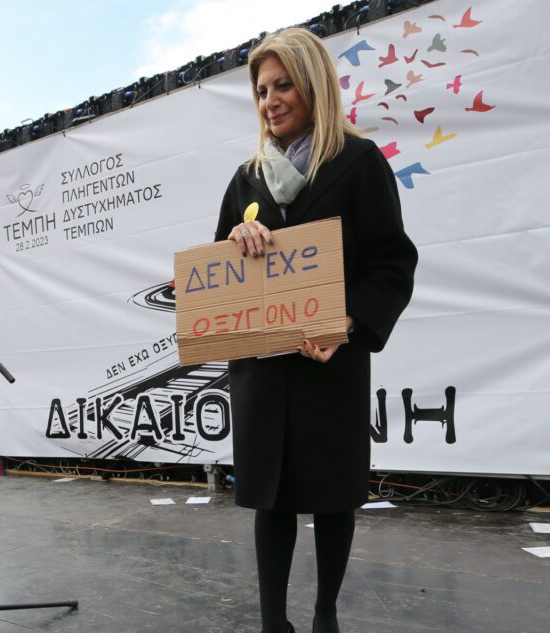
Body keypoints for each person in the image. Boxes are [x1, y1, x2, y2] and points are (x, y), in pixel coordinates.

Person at [214, 29, 416, 633]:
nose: (270, 101)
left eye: (282, 86)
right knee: (270, 499)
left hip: (330, 361)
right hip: (263, 370)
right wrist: (235, 240)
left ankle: (326, 614)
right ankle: (273, 622)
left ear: (314, 86)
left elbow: (391, 262)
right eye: (261, 91)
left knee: (333, 494)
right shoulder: (246, 178)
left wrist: (347, 323)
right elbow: (221, 274)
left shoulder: (358, 162)